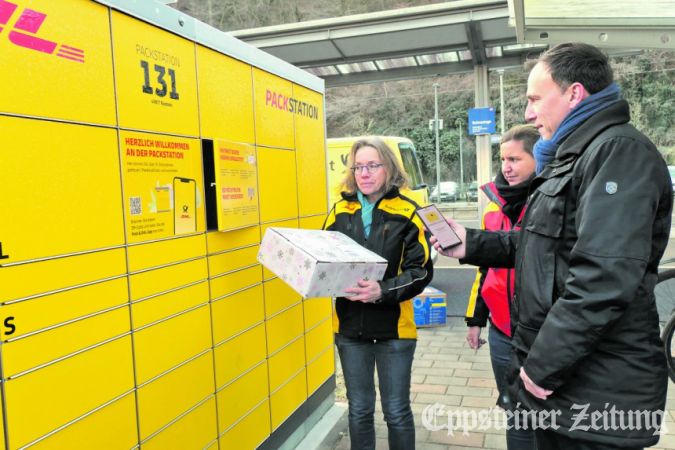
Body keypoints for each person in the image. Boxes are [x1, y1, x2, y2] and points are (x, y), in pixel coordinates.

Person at [432, 42, 672, 450]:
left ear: (574, 93)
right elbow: (540, 245)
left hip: (595, 393)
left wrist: (539, 368)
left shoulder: (617, 153)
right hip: (565, 381)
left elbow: (602, 280)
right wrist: (470, 243)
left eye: (534, 99)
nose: (528, 113)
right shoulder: (573, 155)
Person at [323, 137, 433, 450]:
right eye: (358, 167)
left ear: (388, 168)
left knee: (396, 411)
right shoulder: (339, 211)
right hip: (349, 328)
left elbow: (421, 271)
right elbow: (324, 259)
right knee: (359, 410)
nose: (365, 173)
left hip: (394, 330)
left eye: (373, 165)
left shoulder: (409, 212)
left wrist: (381, 290)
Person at [465, 124, 539, 450]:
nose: (506, 167)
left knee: (547, 417)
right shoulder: (493, 208)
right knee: (515, 412)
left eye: (515, 159)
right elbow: (486, 271)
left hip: (540, 334)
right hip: (501, 332)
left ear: (540, 159)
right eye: (503, 159)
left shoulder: (550, 204)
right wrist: (474, 320)